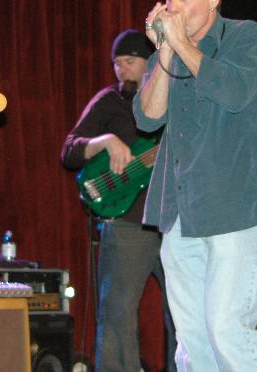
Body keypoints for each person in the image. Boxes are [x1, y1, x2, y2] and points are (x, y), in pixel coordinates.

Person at [134, 0, 257, 371]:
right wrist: (165, 52)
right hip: (180, 212)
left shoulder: (246, 37)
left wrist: (180, 44)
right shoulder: (169, 53)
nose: (173, 8)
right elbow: (147, 117)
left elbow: (233, 92)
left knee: (228, 330)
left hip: (234, 208)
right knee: (192, 339)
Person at [61, 29, 177, 372]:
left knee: (184, 313)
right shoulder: (109, 100)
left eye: (129, 61)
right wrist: (106, 140)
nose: (121, 69)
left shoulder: (177, 97)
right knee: (117, 311)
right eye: (116, 63)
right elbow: (69, 151)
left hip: (175, 220)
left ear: (151, 62)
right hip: (128, 222)